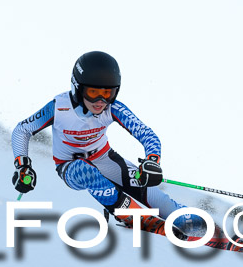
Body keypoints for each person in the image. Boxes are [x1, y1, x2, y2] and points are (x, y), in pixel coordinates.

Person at [11, 51, 202, 234]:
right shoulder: (59, 107)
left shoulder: (113, 108)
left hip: (105, 159)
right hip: (69, 166)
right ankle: (133, 216)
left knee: (156, 197)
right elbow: (22, 130)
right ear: (77, 87)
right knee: (87, 172)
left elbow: (146, 134)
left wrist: (152, 161)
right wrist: (22, 165)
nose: (101, 101)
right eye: (93, 92)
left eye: (108, 93)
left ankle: (194, 224)